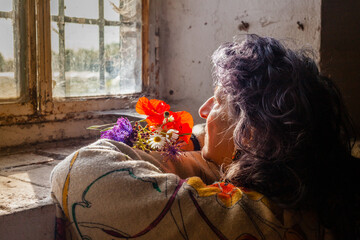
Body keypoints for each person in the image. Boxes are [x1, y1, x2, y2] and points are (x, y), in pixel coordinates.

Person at [51, 34, 359, 240]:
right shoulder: (318, 196)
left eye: (217, 101)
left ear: (249, 134)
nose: (202, 110)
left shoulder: (253, 220)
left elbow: (76, 171)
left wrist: (195, 143)